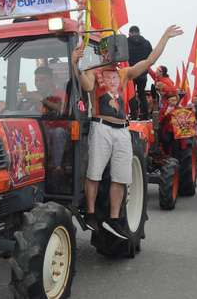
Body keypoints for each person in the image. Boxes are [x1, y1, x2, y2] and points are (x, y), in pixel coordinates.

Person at [72, 25, 182, 239]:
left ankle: (115, 219)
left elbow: (149, 61)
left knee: (121, 177)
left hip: (123, 129)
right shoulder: (94, 71)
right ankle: (91, 214)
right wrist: (75, 63)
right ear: (104, 52)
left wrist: (164, 37)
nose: (115, 52)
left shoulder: (123, 73)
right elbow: (86, 87)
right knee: (94, 173)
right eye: (111, 49)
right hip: (101, 125)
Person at [127, 25, 152, 120]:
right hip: (143, 72)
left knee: (131, 94)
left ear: (129, 33)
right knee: (142, 94)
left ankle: (133, 114)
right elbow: (151, 56)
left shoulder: (126, 42)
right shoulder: (146, 43)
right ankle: (145, 115)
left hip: (130, 72)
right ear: (139, 32)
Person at [159, 94, 183, 160]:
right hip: (167, 130)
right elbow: (161, 121)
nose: (174, 102)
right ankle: (166, 154)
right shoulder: (163, 110)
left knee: (176, 147)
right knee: (165, 140)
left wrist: (191, 110)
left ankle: (176, 160)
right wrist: (166, 114)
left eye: (175, 100)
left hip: (177, 132)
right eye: (172, 100)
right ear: (168, 101)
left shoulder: (179, 109)